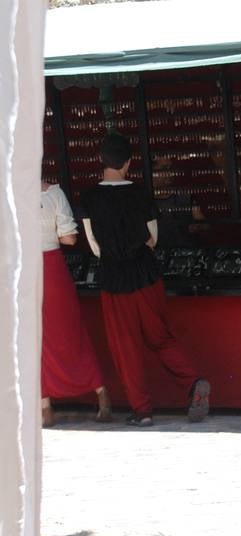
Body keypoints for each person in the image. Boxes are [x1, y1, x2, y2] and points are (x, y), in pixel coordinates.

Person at [82, 132, 210, 427]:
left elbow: (95, 246)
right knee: (160, 337)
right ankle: (193, 383)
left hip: (114, 279)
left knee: (125, 348)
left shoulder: (89, 198)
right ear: (128, 163)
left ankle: (143, 411)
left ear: (102, 161)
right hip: (147, 274)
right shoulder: (141, 194)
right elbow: (153, 238)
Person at [39, 180, 111, 427]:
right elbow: (69, 238)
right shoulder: (54, 193)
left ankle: (45, 407)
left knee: (36, 339)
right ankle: (101, 394)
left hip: (23, 269)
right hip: (51, 267)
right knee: (71, 334)